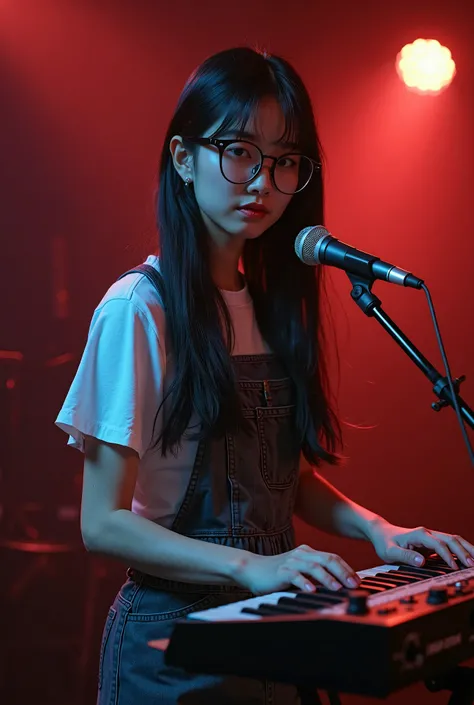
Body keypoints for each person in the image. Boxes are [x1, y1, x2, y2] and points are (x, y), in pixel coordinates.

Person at [56, 46, 474, 705]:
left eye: (284, 161)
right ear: (183, 159)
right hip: (171, 643)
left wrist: (378, 530)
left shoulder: (272, 306)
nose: (263, 181)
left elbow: (284, 481)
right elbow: (102, 522)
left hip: (272, 629)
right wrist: (254, 565)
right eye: (241, 150)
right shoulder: (139, 307)